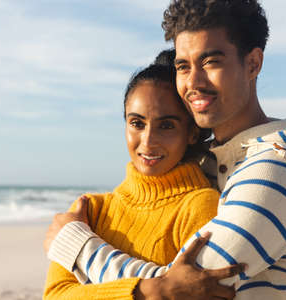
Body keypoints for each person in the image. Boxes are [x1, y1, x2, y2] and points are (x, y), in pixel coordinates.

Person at [45, 1, 286, 299]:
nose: (193, 82)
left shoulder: (277, 170)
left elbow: (182, 288)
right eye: (183, 66)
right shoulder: (212, 161)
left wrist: (77, 245)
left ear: (253, 63)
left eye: (211, 62)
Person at [43, 62, 245, 300]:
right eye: (137, 123)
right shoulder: (91, 209)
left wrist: (148, 291)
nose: (148, 141)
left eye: (166, 125)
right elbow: (56, 295)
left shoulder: (200, 206)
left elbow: (196, 292)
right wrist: (153, 290)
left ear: (191, 133)